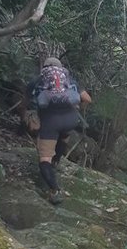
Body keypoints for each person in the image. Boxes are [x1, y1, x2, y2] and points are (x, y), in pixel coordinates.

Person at [26, 57, 91, 204]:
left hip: (50, 121)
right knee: (63, 137)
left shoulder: (37, 81)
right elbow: (87, 99)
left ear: (44, 68)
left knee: (44, 159)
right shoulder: (69, 80)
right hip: (71, 120)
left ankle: (55, 190)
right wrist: (78, 108)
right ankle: (56, 162)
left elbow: (27, 103)